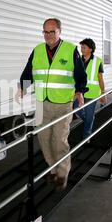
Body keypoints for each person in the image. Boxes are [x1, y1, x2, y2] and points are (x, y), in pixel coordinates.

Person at [16, 18, 87, 190]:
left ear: (59, 31)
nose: (48, 35)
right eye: (45, 32)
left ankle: (62, 174)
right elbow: (28, 71)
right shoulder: (38, 50)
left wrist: (79, 91)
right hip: (41, 103)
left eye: (52, 31)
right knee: (44, 138)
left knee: (59, 140)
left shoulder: (70, 50)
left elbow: (80, 74)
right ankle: (53, 169)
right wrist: (22, 88)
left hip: (62, 103)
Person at [73, 38, 106, 140]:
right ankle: (89, 120)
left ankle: (87, 135)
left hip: (92, 93)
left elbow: (100, 78)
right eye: (81, 47)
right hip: (80, 92)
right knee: (76, 109)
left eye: (84, 47)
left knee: (89, 114)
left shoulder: (98, 61)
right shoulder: (78, 60)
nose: (81, 49)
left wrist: (103, 93)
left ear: (90, 49)